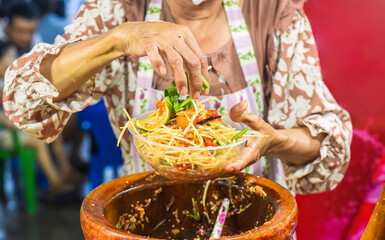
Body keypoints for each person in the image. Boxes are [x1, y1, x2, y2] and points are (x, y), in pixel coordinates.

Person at [2, 0, 352, 195]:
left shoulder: (272, 11)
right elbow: (22, 99)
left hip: (252, 222)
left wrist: (276, 141)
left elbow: (328, 139)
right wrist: (117, 40)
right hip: (145, 216)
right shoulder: (120, 10)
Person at [0, 41, 74, 194]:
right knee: (38, 142)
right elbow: (5, 120)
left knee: (52, 129)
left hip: (14, 128)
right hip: (5, 134)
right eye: (10, 57)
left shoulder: (9, 82)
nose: (15, 60)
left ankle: (66, 170)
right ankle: (54, 181)